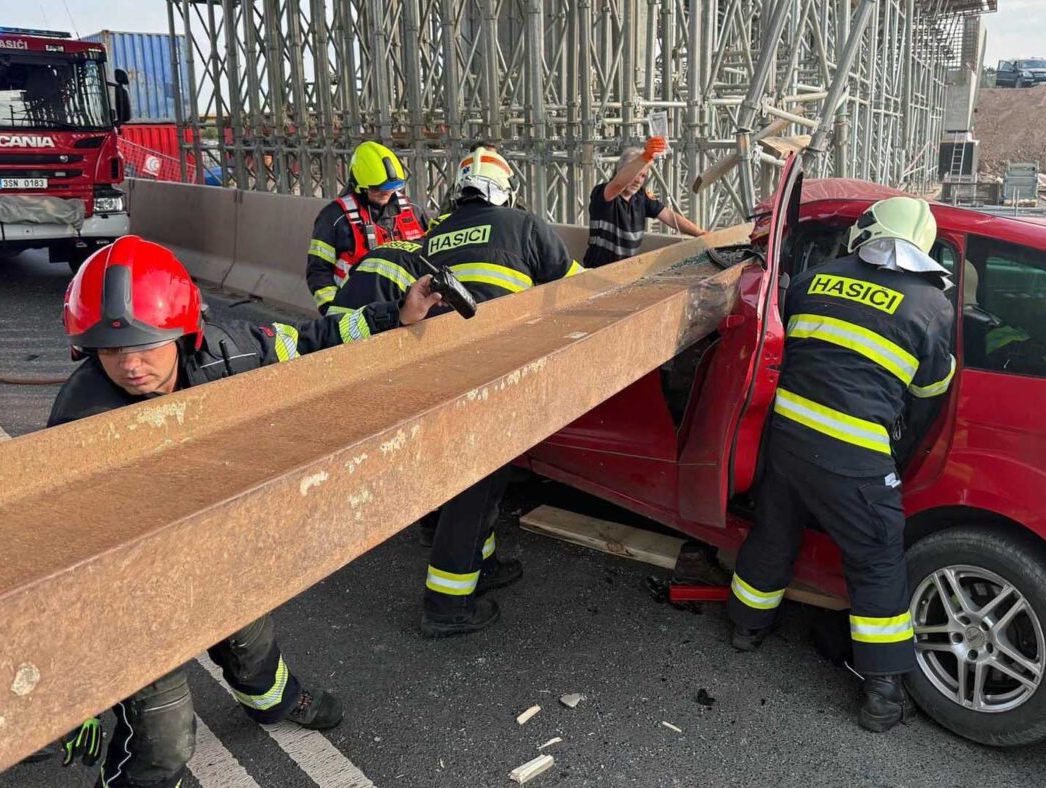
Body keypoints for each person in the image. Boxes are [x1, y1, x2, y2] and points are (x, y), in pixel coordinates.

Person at [45, 235, 441, 786]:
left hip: (210, 549)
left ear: (184, 332)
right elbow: (62, 558)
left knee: (251, 644)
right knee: (162, 735)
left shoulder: (233, 351)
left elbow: (312, 341)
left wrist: (394, 316)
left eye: (146, 346)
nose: (130, 366)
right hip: (131, 588)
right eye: (112, 351)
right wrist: (76, 691)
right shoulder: (78, 422)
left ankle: (272, 700)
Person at [726, 197, 956, 733]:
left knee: (774, 533)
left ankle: (745, 627)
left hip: (786, 439)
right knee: (877, 560)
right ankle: (882, 692)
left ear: (865, 233)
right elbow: (929, 394)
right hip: (854, 458)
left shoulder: (812, 278)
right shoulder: (931, 306)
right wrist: (894, 452)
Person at [400, 146, 583, 637]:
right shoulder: (524, 226)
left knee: (472, 480)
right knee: (475, 486)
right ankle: (446, 607)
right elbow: (580, 291)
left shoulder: (432, 237)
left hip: (433, 375)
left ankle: (482, 566)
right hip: (490, 375)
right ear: (506, 191)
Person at [305, 141, 430, 314]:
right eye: (376, 188)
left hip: (407, 311)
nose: (386, 193)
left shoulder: (414, 212)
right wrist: (333, 312)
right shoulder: (334, 217)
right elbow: (319, 271)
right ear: (359, 186)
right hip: (356, 314)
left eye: (391, 188)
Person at [582, 137, 705, 268]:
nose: (638, 181)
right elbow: (618, 184)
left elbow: (669, 217)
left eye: (643, 176)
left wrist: (701, 233)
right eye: (635, 174)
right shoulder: (602, 193)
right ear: (621, 171)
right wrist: (646, 156)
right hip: (596, 271)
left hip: (624, 272)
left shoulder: (641, 197)